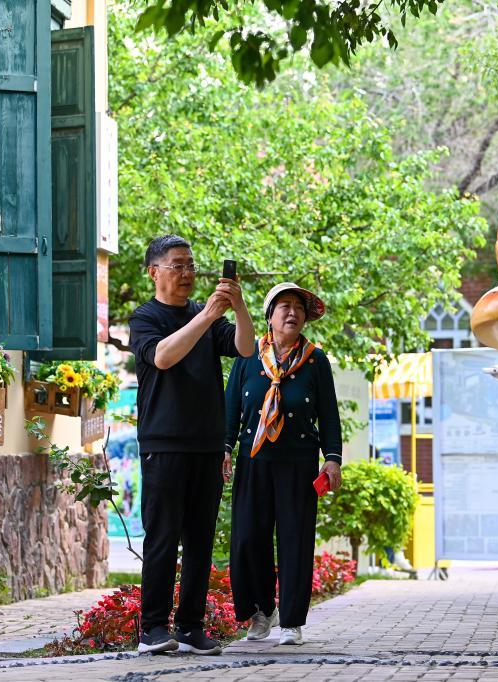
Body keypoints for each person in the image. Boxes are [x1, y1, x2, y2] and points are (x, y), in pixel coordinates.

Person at [129, 235, 255, 655]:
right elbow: (164, 357)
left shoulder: (206, 313)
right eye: (178, 265)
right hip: (163, 442)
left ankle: (190, 627)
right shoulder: (144, 318)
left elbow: (246, 347)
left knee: (200, 539)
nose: (187, 273)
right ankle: (152, 629)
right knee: (162, 536)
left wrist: (235, 305)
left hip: (206, 443)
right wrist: (208, 316)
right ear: (155, 272)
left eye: (191, 265)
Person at [224, 282, 343, 646]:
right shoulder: (247, 355)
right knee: (248, 539)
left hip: (298, 462)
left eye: (298, 308)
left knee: (295, 540)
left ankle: (291, 621)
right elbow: (231, 407)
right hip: (253, 459)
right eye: (284, 306)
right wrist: (224, 448)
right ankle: (260, 612)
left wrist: (333, 459)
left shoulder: (315, 360)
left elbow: (329, 415)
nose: (292, 313)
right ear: (269, 316)